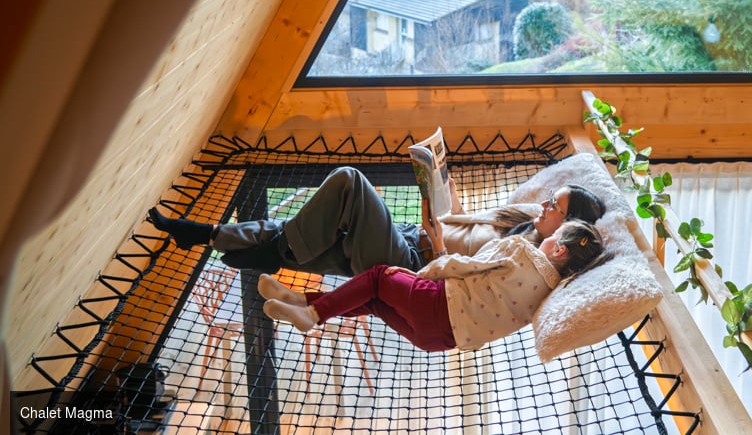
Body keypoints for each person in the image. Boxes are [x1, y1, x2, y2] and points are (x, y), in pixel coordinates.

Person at [147, 166, 606, 276]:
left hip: (413, 263)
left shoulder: (530, 259)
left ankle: (269, 252)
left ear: (567, 228)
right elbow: (463, 224)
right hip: (412, 237)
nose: (544, 204)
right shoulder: (523, 220)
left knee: (349, 181)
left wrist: (436, 240)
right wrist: (438, 198)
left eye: (555, 206)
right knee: (295, 235)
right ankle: (204, 234)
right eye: (549, 198)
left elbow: (462, 279)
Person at [258, 219, 611, 352]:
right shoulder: (549, 298)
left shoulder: (522, 249)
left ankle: (314, 311)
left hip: (438, 302)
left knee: (380, 276)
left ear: (560, 249)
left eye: (555, 236)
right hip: (439, 341)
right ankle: (301, 300)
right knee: (376, 301)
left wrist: (423, 275)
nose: (548, 237)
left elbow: (469, 266)